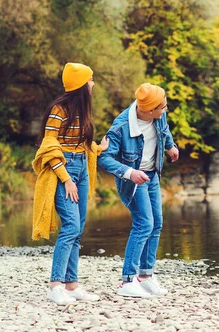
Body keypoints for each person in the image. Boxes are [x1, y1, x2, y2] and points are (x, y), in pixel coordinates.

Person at [32, 62, 109, 305]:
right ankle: (55, 286)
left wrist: (97, 148)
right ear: (81, 85)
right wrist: (66, 179)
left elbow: (80, 144)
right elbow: (48, 147)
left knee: (78, 229)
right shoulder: (59, 110)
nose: (93, 83)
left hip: (82, 168)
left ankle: (72, 284)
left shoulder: (82, 111)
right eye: (90, 80)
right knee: (71, 227)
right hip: (63, 172)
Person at [98, 83, 179, 297]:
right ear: (149, 110)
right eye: (162, 107)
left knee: (157, 223)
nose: (166, 110)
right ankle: (127, 282)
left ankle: (146, 276)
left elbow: (164, 130)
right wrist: (129, 172)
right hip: (133, 180)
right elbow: (104, 158)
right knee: (144, 223)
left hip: (152, 175)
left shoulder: (157, 114)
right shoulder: (121, 126)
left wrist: (170, 146)